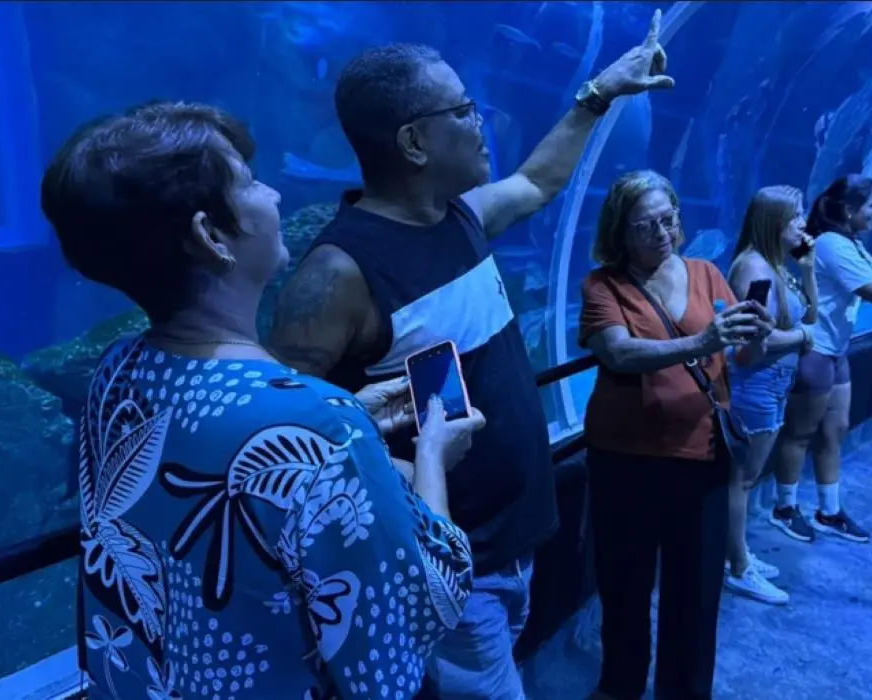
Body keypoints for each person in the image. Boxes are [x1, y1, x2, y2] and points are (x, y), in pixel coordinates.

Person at [267, 13, 675, 699]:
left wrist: (599, 92)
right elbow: (284, 433)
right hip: (456, 560)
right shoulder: (339, 274)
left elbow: (538, 182)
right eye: (463, 110)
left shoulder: (460, 217)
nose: (481, 120)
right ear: (414, 141)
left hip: (514, 542)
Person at [43, 101, 486, 700]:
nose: (273, 194)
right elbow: (421, 608)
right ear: (210, 235)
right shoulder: (318, 425)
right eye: (249, 182)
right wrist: (431, 455)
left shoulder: (118, 370)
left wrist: (347, 428)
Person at [579, 170, 771, 700]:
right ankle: (620, 687)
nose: (662, 233)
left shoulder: (707, 273)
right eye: (646, 225)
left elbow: (744, 356)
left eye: (668, 219)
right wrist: (703, 341)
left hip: (701, 457)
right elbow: (618, 352)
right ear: (620, 230)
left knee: (696, 593)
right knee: (624, 586)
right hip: (626, 460)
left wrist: (756, 336)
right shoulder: (602, 286)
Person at [770, 174, 872, 544]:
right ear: (849, 210)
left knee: (835, 429)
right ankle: (784, 507)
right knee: (800, 433)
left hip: (837, 350)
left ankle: (828, 511)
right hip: (815, 349)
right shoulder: (831, 243)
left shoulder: (850, 242)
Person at [721, 185, 817, 606]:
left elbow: (810, 315)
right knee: (741, 479)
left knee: (748, 477)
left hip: (774, 382)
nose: (803, 224)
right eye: (795, 216)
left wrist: (808, 269)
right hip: (754, 384)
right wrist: (801, 337)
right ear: (773, 221)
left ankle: (737, 553)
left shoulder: (778, 264)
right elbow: (750, 343)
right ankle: (738, 567)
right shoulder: (755, 270)